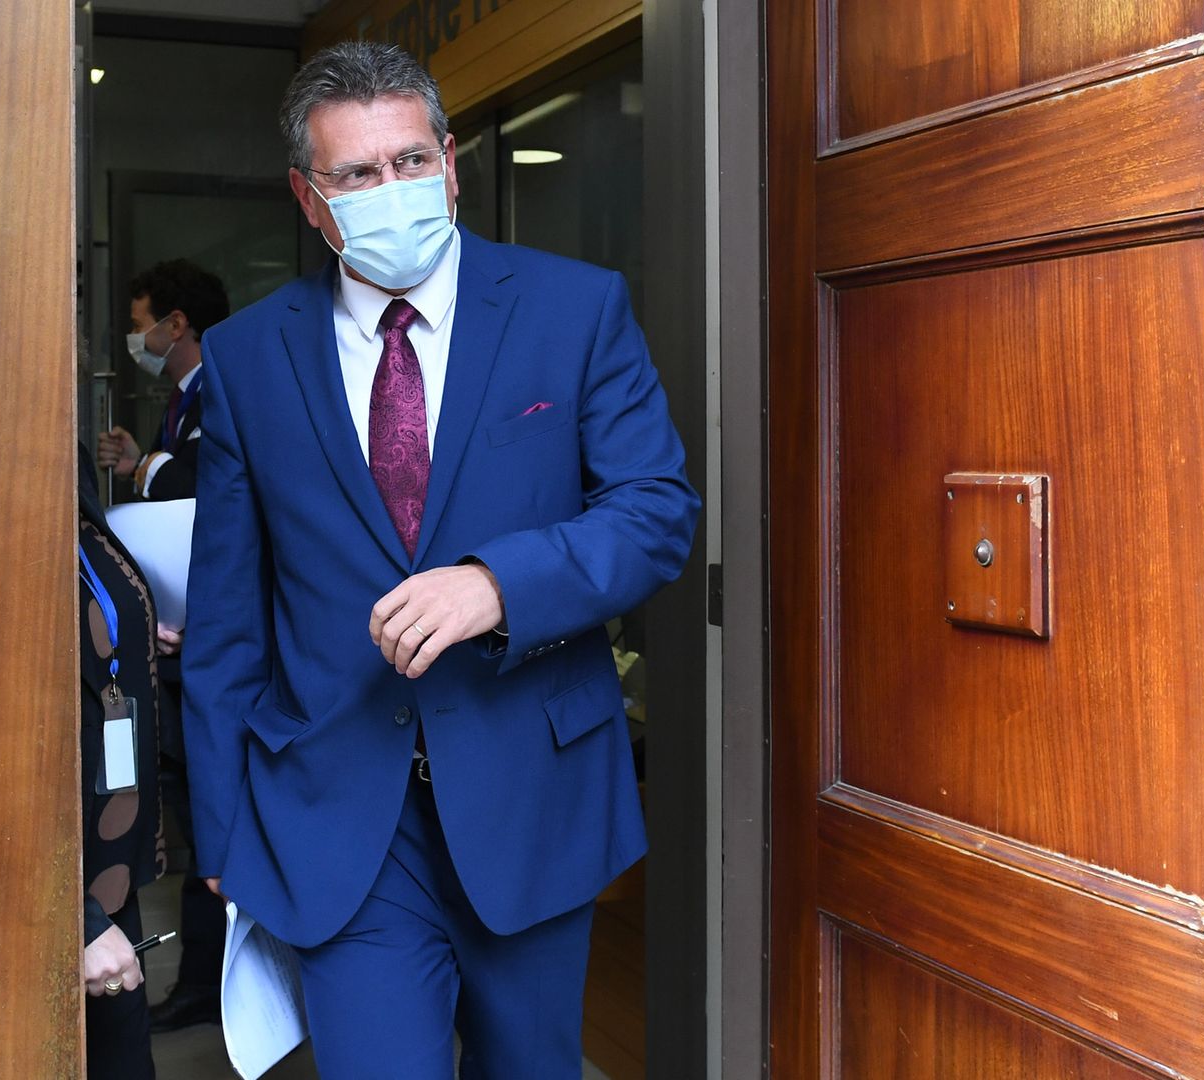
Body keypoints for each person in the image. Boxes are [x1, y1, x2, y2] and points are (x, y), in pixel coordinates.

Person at [181, 41, 699, 1078]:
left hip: (532, 798)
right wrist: (223, 836)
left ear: (452, 164)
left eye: (411, 161)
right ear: (308, 198)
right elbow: (228, 623)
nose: (393, 190)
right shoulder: (247, 358)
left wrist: (500, 583)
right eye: (358, 175)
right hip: (335, 818)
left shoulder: (574, 309)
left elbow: (655, 513)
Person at [98, 259, 233, 1031]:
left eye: (144, 318)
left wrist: (146, 465)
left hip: (208, 644)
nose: (138, 336)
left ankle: (208, 987)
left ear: (175, 324)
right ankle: (204, 983)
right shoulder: (178, 398)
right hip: (176, 642)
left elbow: (204, 486)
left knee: (207, 816)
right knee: (187, 809)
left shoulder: (224, 388)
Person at [77, 446, 169, 1080]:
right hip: (55, 885)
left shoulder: (60, 446)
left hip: (105, 869)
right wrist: (76, 922)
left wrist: (145, 628)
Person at [97, 259, 229, 501]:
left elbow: (203, 491)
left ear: (175, 325)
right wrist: (138, 463)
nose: (133, 338)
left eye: (138, 326)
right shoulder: (183, 394)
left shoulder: (223, 395)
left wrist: (150, 464)